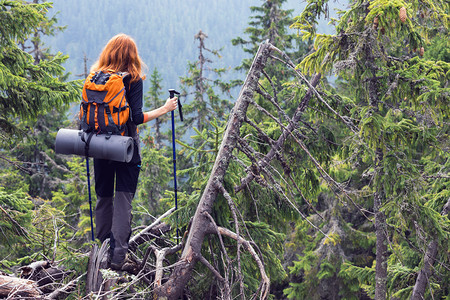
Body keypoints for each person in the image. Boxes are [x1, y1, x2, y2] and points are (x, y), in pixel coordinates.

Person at [89, 33, 177, 270]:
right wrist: (165, 108)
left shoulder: (97, 77)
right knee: (123, 199)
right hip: (126, 146)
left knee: (104, 197)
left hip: (99, 145)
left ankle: (100, 252)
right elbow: (136, 118)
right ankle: (117, 259)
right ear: (132, 55)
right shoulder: (133, 79)